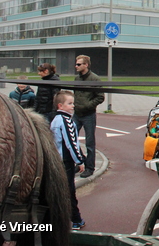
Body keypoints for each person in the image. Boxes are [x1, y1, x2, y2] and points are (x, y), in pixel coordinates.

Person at [50, 91, 86, 230]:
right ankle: (76, 220)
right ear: (60, 105)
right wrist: (80, 161)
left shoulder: (56, 119)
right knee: (69, 192)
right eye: (69, 103)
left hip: (59, 160)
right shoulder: (65, 121)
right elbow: (71, 143)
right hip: (65, 162)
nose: (73, 106)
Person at [73, 55, 105, 178]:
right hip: (77, 113)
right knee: (71, 139)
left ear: (86, 65)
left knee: (90, 143)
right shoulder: (76, 79)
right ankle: (80, 161)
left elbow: (100, 97)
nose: (76, 66)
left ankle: (90, 168)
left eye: (79, 64)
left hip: (88, 115)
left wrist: (88, 105)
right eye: (76, 64)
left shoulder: (95, 79)